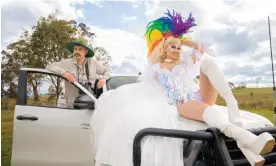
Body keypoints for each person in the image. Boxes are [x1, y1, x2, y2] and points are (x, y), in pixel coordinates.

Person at [90, 10, 275, 166]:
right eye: (173, 46)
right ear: (164, 48)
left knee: (208, 62)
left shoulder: (186, 62)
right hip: (180, 102)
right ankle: (249, 142)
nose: (178, 50)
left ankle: (232, 104)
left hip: (195, 97)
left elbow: (202, 48)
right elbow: (156, 57)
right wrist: (167, 40)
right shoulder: (159, 66)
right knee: (207, 112)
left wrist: (182, 40)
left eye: (179, 47)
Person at [46, 37, 111, 108]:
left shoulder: (93, 63)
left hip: (90, 106)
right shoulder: (66, 63)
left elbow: (107, 70)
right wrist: (64, 73)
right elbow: (49, 66)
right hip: (72, 106)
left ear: (85, 52)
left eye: (80, 49)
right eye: (75, 49)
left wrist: (103, 79)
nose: (76, 52)